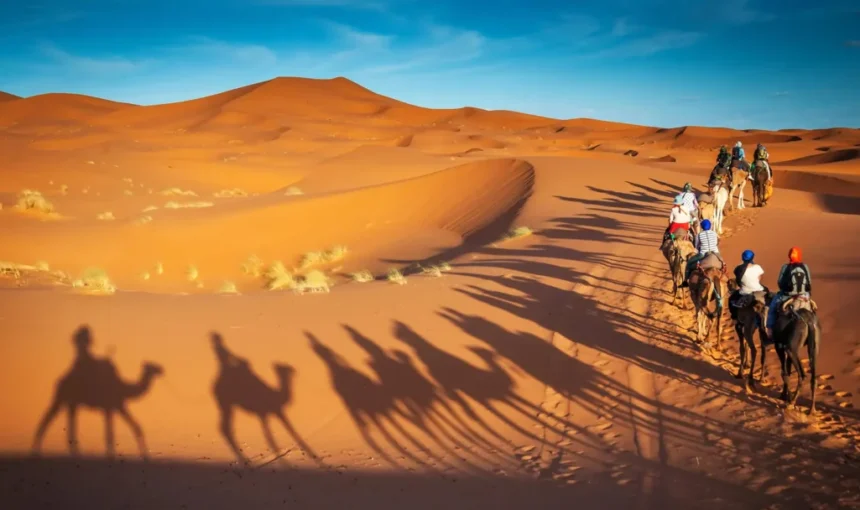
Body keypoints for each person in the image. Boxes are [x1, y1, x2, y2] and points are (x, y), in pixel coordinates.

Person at [765, 246, 812, 344]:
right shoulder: (805, 266)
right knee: (812, 311)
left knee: (772, 308)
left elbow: (779, 282)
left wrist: (785, 290)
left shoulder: (785, 267)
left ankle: (770, 332)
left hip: (787, 295)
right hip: (803, 296)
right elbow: (809, 283)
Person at [682, 219, 724, 285]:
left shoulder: (699, 235)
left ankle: (686, 281)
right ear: (710, 226)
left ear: (701, 227)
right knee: (723, 264)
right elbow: (715, 243)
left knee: (689, 263)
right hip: (715, 253)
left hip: (703, 254)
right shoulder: (714, 233)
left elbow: (696, 246)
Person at [729, 250, 766, 321]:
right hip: (758, 290)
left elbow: (738, 279)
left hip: (744, 291)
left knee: (731, 299)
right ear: (752, 258)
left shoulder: (738, 268)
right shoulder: (757, 267)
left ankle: (734, 316)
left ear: (742, 258)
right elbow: (759, 278)